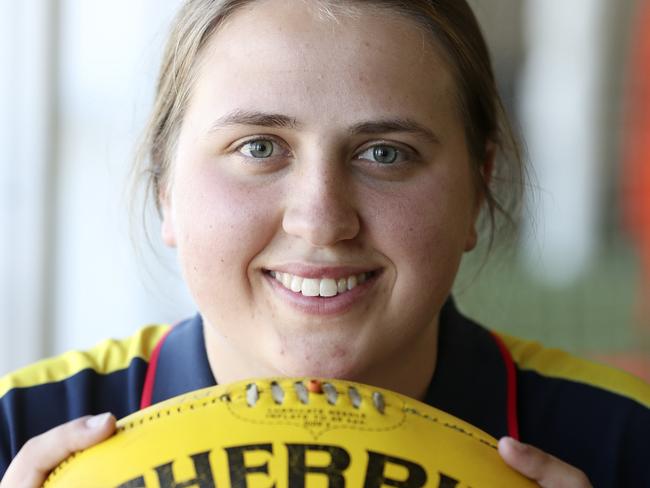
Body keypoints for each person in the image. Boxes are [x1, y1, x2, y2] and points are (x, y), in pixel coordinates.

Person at [1, 0, 649, 486]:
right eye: (259, 148)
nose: (320, 219)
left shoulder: (626, 442)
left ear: (476, 191)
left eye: (385, 153)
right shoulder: (19, 431)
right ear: (165, 184)